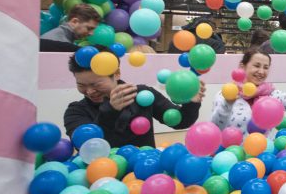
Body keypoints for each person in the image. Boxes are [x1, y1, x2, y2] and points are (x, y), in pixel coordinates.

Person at [64, 48, 206, 148]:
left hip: (143, 174)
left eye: (96, 84)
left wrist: (192, 102)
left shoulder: (143, 95)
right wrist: (110, 110)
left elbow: (181, 122)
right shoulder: (76, 111)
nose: (89, 91)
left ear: (117, 73)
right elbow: (85, 145)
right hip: (103, 177)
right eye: (81, 85)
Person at [211, 49, 286, 134]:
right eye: (256, 66)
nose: (261, 72)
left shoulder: (272, 95)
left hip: (264, 158)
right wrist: (228, 103)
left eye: (266, 67)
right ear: (242, 67)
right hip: (231, 156)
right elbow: (216, 129)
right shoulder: (226, 94)